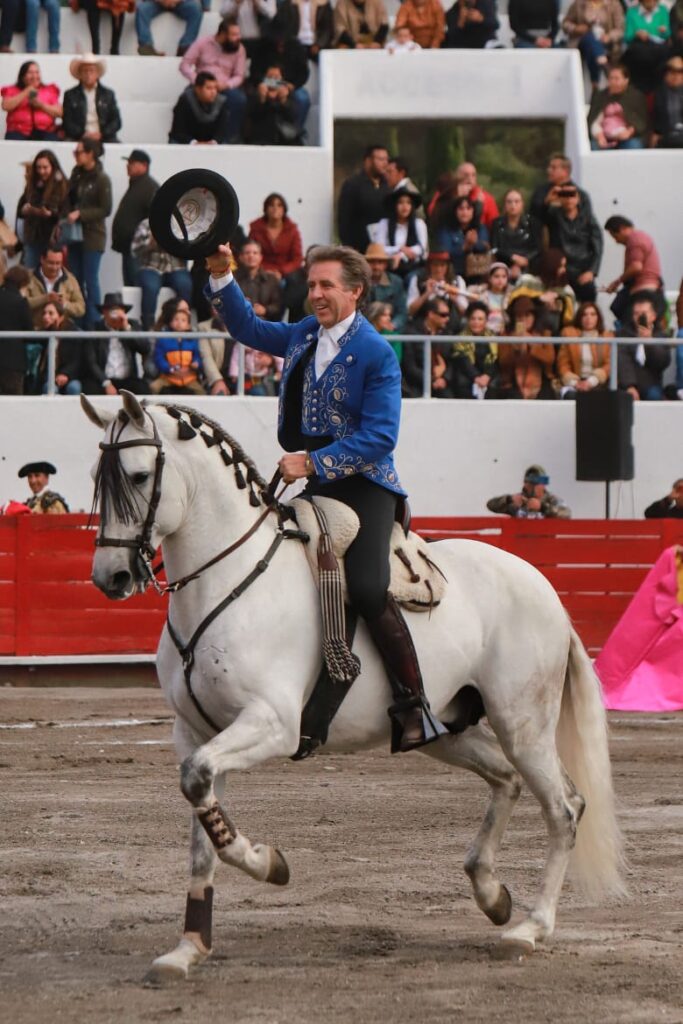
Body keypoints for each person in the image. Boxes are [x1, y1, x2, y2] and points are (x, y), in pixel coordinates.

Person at [205, 240, 446, 752]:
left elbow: (382, 436)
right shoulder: (304, 334)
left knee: (365, 586)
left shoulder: (377, 352)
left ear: (355, 291)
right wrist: (223, 273)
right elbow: (247, 329)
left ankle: (413, 703)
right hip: (316, 487)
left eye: (326, 285)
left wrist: (313, 461)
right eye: (312, 285)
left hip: (367, 486)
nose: (315, 294)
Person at [65, 137, 113, 330]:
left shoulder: (102, 178)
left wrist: (81, 214)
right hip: (74, 233)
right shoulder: (76, 174)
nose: (76, 156)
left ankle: (93, 321)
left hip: (93, 235)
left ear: (90, 154)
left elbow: (105, 209)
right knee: (75, 278)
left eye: (79, 152)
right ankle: (78, 317)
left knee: (90, 278)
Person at [180, 17, 248, 144]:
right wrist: (198, 81)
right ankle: (186, 139)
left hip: (223, 86)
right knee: (186, 98)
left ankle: (228, 139)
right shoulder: (203, 42)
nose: (238, 38)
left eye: (238, 34)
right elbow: (185, 65)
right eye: (234, 35)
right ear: (222, 34)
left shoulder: (239, 49)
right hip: (202, 84)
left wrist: (227, 84)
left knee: (239, 100)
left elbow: (239, 75)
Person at [248, 14, 311, 136]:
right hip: (266, 83)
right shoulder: (263, 46)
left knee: (303, 99)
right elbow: (254, 71)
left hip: (289, 84)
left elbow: (304, 73)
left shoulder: (297, 47)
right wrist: (264, 83)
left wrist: (290, 86)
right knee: (252, 98)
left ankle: (295, 132)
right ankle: (255, 134)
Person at [248, 192, 305, 320]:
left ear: (284, 209)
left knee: (297, 282)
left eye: (279, 205)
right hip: (262, 269)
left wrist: (281, 272)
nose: (275, 208)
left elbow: (297, 258)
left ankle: (293, 320)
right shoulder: (256, 228)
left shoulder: (292, 229)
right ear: (265, 208)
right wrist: (268, 271)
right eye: (271, 205)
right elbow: (252, 252)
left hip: (287, 272)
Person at [545, 181, 603, 302]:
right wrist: (548, 200)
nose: (569, 199)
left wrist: (592, 271)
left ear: (578, 198)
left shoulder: (588, 218)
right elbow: (537, 216)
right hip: (562, 269)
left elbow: (598, 246)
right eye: (565, 194)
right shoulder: (553, 214)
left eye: (572, 195)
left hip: (583, 269)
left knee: (588, 299)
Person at [82, 291, 151, 395]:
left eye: (118, 311)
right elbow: (91, 361)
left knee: (142, 388)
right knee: (90, 389)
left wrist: (126, 329)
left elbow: (145, 348)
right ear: (104, 313)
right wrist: (105, 382)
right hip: (104, 379)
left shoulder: (133, 325)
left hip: (127, 379)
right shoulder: (95, 328)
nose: (115, 315)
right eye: (112, 311)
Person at [131, 218, 193, 329]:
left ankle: (183, 324)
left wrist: (179, 243)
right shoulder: (146, 223)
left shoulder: (183, 223)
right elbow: (134, 250)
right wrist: (150, 242)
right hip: (151, 266)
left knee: (184, 285)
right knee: (151, 287)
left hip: (176, 267)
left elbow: (191, 249)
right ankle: (148, 327)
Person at [111, 150, 159, 288]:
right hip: (128, 248)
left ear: (144, 165)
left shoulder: (150, 187)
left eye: (132, 163)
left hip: (138, 250)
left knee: (135, 285)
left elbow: (156, 217)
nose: (128, 166)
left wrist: (148, 242)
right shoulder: (137, 184)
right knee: (129, 287)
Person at [495, 296, 557, 400]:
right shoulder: (506, 335)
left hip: (542, 379)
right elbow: (503, 362)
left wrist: (532, 343)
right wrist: (516, 347)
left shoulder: (545, 334)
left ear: (534, 317)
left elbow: (550, 359)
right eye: (519, 316)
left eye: (527, 315)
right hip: (513, 380)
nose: (523, 320)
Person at [604, 215, 665, 320]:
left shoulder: (635, 239)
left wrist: (617, 282)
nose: (616, 241)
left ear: (623, 228)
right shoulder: (641, 237)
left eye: (615, 236)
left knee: (634, 324)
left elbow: (636, 266)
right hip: (648, 289)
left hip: (643, 290)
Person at [18, 149, 68, 270]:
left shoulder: (62, 185)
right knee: (30, 271)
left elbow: (65, 211)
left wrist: (51, 214)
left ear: (52, 167)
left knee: (51, 272)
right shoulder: (32, 184)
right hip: (33, 236)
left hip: (53, 239)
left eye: (45, 167)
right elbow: (21, 207)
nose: (41, 171)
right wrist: (25, 210)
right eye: (38, 167)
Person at [509, 249, 576, 335]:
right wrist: (538, 300)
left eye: (564, 266)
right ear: (550, 266)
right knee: (523, 305)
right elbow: (513, 306)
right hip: (523, 331)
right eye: (560, 266)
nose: (564, 270)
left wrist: (558, 306)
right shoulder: (527, 282)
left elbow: (569, 320)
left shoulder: (566, 290)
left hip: (552, 334)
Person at [337, 145, 390, 254]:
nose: (385, 163)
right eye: (380, 159)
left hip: (384, 248)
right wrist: (349, 245)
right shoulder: (353, 184)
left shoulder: (387, 185)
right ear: (368, 161)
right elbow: (345, 218)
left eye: (386, 160)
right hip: (360, 247)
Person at [617, 296, 671, 400]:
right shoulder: (623, 334)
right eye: (636, 313)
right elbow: (623, 361)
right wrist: (630, 386)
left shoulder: (661, 335)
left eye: (644, 313)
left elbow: (662, 363)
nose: (639, 316)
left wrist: (649, 341)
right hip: (627, 384)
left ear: (653, 316)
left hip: (652, 384)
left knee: (654, 395)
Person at [62, 54, 121, 145]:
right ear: (80, 74)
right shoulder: (70, 95)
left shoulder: (108, 94)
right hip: (79, 137)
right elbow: (67, 121)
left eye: (92, 71)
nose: (88, 74)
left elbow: (116, 121)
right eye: (85, 71)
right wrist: (82, 134)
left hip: (103, 137)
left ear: (97, 74)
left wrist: (102, 134)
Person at [562, 0, 624, 86]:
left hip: (606, 42)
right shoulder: (579, 3)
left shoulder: (614, 4)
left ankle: (595, 84)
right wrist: (576, 28)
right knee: (589, 38)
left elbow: (620, 29)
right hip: (582, 41)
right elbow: (565, 24)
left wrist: (609, 36)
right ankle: (602, 62)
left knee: (592, 49)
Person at [368, 188, 428, 278]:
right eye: (400, 203)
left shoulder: (419, 224)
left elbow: (420, 249)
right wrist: (399, 249)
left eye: (408, 203)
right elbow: (379, 248)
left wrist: (401, 255)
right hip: (389, 266)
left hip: (414, 267)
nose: (405, 206)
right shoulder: (384, 223)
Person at [557, 302, 612, 398]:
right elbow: (563, 364)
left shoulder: (607, 336)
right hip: (575, 382)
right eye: (584, 314)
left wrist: (591, 382)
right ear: (579, 318)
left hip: (597, 382)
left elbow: (609, 364)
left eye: (592, 314)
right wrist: (575, 383)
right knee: (572, 396)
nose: (588, 318)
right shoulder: (569, 334)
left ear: (598, 317)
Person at [402, 297, 454, 398]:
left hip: (442, 383)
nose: (447, 318)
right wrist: (432, 380)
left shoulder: (448, 334)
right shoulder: (411, 333)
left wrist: (444, 379)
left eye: (448, 315)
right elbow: (410, 366)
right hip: (417, 383)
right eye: (443, 315)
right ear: (431, 314)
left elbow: (451, 362)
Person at [588, 64, 647, 150]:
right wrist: (599, 136)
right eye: (611, 78)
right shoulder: (600, 96)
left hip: (628, 137)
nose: (613, 82)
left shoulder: (636, 96)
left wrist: (629, 132)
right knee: (592, 146)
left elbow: (641, 122)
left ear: (626, 80)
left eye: (616, 78)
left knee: (634, 146)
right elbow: (593, 121)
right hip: (603, 136)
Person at [406, 250, 468, 330]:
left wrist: (454, 299)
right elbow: (410, 311)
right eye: (435, 265)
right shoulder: (418, 280)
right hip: (422, 329)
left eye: (442, 266)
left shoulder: (457, 281)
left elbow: (465, 313)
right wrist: (426, 294)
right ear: (429, 266)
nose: (438, 269)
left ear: (448, 267)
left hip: (451, 329)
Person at [150, 305, 205, 395]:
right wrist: (169, 369)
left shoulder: (193, 340)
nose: (179, 322)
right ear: (170, 322)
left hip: (189, 377)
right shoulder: (163, 339)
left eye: (183, 320)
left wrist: (196, 363)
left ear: (188, 325)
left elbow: (197, 356)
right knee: (152, 388)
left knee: (202, 392)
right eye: (176, 319)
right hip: (168, 377)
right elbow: (159, 358)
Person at [25, 247, 86, 328]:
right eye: (51, 263)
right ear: (42, 259)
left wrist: (64, 304)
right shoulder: (28, 278)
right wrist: (45, 298)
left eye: (58, 263)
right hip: (35, 330)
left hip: (62, 332)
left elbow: (81, 308)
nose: (54, 268)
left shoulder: (70, 279)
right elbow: (21, 303)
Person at [449, 300, 498, 399]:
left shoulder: (493, 337)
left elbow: (495, 360)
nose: (476, 322)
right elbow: (463, 361)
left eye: (480, 319)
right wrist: (476, 377)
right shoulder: (460, 338)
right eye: (473, 319)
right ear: (468, 320)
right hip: (467, 378)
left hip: (487, 377)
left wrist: (487, 375)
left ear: (486, 321)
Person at [489, 190, 541, 283]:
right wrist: (512, 257)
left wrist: (522, 262)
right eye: (509, 202)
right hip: (502, 265)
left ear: (522, 204)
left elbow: (537, 248)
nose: (513, 205)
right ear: (505, 204)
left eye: (517, 201)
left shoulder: (532, 223)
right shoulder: (497, 223)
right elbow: (495, 248)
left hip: (527, 266)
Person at [1, 61, 61, 141]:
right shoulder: (12, 90)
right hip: (18, 132)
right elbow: (6, 106)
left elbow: (59, 112)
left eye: (37, 72)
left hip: (45, 132)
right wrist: (26, 91)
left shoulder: (49, 90)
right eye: (30, 72)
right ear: (22, 76)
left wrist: (41, 105)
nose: (34, 76)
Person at [433, 195, 489, 280]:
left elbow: (485, 247)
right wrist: (464, 247)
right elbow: (445, 252)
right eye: (461, 209)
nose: (464, 212)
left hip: (478, 272)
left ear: (473, 211)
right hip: (454, 272)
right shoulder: (446, 229)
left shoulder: (480, 227)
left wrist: (474, 243)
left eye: (468, 208)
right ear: (455, 211)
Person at [169, 71, 233, 144]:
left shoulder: (221, 102)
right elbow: (178, 130)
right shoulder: (185, 101)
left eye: (215, 88)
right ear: (198, 89)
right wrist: (194, 142)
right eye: (209, 88)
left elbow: (222, 131)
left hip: (211, 143)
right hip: (187, 142)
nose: (213, 92)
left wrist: (213, 142)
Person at [529, 153, 593, 226]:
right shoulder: (541, 192)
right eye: (549, 167)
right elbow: (533, 216)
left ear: (565, 170)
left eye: (553, 167)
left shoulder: (580, 195)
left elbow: (587, 222)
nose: (548, 170)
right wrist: (546, 202)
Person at [622, 0, 672, 93]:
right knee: (638, 54)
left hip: (658, 48)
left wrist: (664, 31)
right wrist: (636, 34)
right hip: (639, 47)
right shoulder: (632, 12)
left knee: (663, 54)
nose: (651, 2)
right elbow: (627, 37)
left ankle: (656, 91)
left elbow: (667, 34)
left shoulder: (662, 10)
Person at [0, 255, 33, 394]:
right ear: (23, 283)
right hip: (14, 363)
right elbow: (29, 332)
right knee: (13, 407)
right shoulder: (21, 302)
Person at [245, 63, 301, 145]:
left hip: (284, 138)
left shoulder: (288, 94)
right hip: (260, 138)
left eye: (276, 78)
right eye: (270, 77)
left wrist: (283, 100)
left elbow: (294, 117)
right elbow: (251, 115)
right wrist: (262, 99)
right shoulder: (256, 93)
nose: (273, 81)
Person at [487, 465, 571, 519]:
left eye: (538, 483)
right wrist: (509, 499)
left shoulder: (551, 499)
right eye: (530, 483)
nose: (535, 487)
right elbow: (491, 505)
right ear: (525, 483)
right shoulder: (519, 500)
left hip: (546, 543)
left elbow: (566, 514)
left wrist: (542, 507)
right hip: (519, 543)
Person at [37, 301, 84, 396]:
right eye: (44, 313)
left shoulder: (72, 333)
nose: (46, 317)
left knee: (74, 387)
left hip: (70, 376)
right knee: (48, 387)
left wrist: (66, 374)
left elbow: (77, 360)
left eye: (51, 313)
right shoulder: (44, 334)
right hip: (50, 377)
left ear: (61, 317)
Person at [234, 239, 283, 321]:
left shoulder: (271, 279)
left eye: (255, 253)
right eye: (247, 253)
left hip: (265, 323)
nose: (251, 256)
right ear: (241, 257)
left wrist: (265, 310)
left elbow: (279, 306)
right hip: (238, 321)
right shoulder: (232, 278)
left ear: (261, 257)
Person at [365, 241, 407, 333]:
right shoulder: (358, 282)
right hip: (364, 330)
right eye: (372, 262)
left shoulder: (396, 282)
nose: (376, 266)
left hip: (389, 331)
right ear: (365, 264)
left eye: (380, 262)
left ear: (385, 264)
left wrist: (393, 325)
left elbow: (402, 312)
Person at [136, 0, 203, 56]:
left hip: (180, 3)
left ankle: (185, 47)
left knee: (195, 9)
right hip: (156, 3)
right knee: (142, 9)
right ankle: (146, 46)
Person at [454, 161, 499, 230]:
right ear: (457, 176)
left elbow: (494, 225)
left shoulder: (486, 198)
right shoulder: (448, 193)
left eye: (473, 175)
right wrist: (457, 196)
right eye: (466, 175)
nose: (470, 178)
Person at [471, 261, 511, 335]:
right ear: (489, 278)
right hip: (485, 332)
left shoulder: (510, 296)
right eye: (496, 276)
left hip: (505, 332)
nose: (500, 280)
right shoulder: (482, 295)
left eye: (504, 276)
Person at [651, 54, 683, 147]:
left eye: (680, 72)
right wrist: (657, 132)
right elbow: (657, 118)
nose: (675, 75)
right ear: (666, 74)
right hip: (667, 135)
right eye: (672, 72)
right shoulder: (660, 93)